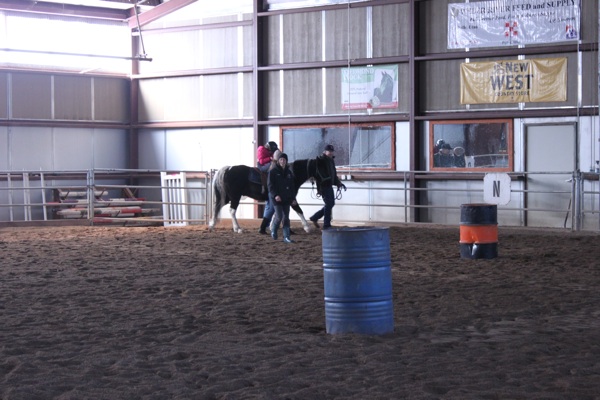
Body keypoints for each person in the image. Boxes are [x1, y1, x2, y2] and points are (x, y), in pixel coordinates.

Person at [309, 144, 346, 230]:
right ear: (325, 152)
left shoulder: (330, 160)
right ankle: (326, 224)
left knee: (330, 204)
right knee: (329, 204)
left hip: (328, 185)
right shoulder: (321, 161)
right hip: (324, 186)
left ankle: (315, 217)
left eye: (332, 151)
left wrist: (338, 183)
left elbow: (333, 174)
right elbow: (320, 175)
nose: (331, 153)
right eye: (329, 151)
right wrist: (320, 187)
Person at [268, 153, 296, 243]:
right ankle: (273, 230)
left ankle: (286, 237)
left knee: (286, 217)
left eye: (284, 160)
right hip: (277, 198)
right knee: (279, 216)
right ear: (278, 161)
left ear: (286, 161)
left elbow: (292, 187)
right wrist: (275, 195)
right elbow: (270, 186)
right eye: (281, 159)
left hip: (286, 197)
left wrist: (293, 198)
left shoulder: (289, 173)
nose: (282, 161)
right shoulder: (273, 172)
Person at [258, 149, 281, 234]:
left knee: (269, 209)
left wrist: (258, 163)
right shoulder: (275, 167)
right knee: (271, 209)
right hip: (274, 192)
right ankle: (263, 228)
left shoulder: (270, 165)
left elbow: (261, 168)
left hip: (270, 191)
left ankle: (263, 227)